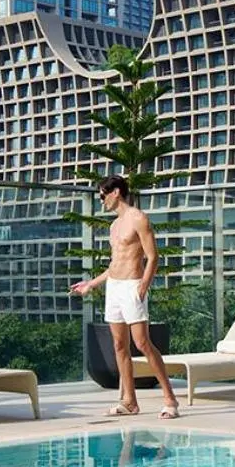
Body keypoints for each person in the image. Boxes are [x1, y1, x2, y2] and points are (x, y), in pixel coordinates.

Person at [70, 175, 180, 418]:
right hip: (115, 288)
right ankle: (129, 401)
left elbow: (153, 257)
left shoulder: (138, 218)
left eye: (102, 196)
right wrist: (91, 284)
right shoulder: (114, 226)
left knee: (142, 343)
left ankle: (170, 399)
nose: (102, 202)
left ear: (116, 192)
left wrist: (143, 287)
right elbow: (114, 264)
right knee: (119, 345)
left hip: (132, 286)